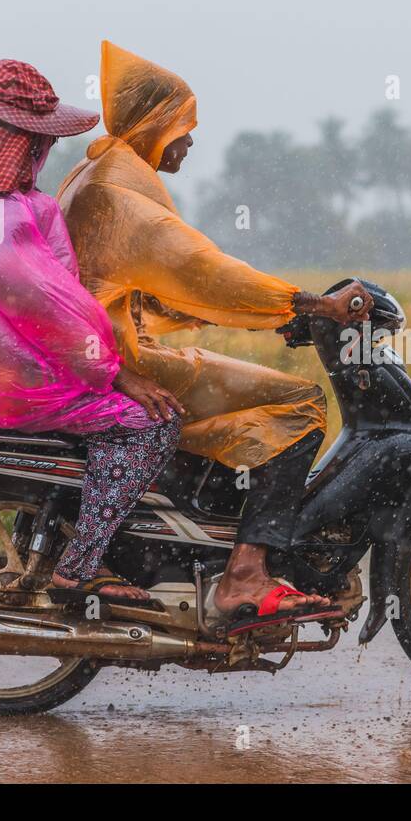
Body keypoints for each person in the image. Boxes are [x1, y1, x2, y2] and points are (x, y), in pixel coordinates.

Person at [58, 41, 372, 624]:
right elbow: (206, 272)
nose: (190, 141)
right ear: (155, 124)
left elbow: (133, 288)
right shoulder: (120, 194)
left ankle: (211, 525)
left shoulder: (94, 175)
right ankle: (245, 575)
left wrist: (202, 314)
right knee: (300, 402)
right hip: (127, 363)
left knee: (228, 376)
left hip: (102, 353)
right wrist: (310, 306)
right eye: (184, 126)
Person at [0, 59, 184, 605]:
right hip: (14, 397)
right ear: (22, 148)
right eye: (39, 144)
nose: (45, 155)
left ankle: (48, 539)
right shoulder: (14, 218)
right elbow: (64, 316)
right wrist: (116, 374)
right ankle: (84, 564)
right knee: (150, 424)